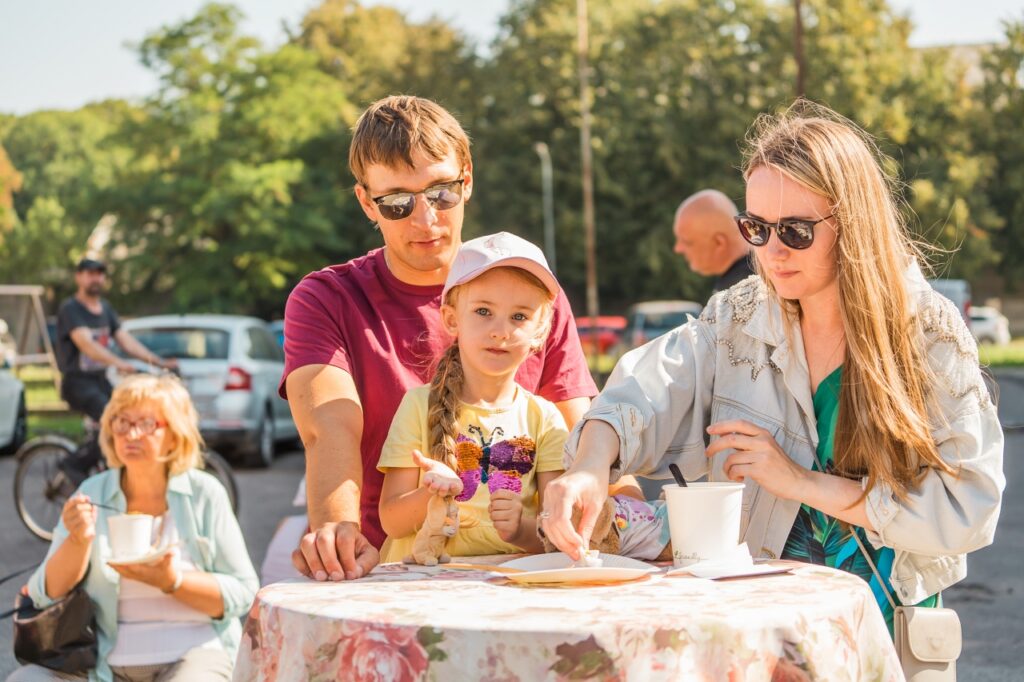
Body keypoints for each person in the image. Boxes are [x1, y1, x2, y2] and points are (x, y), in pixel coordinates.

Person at [542, 101, 1005, 633]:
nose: (772, 252)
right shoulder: (737, 316)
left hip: (879, 635)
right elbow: (647, 388)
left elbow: (969, 510)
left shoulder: (926, 331)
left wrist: (801, 481)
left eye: (796, 231)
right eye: (756, 228)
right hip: (761, 633)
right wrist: (589, 466)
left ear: (853, 224)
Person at [282, 96, 612, 582]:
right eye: (397, 202)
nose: (425, 220)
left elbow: (583, 433)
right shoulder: (327, 298)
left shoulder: (534, 292)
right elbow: (329, 425)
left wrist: (626, 515)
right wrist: (337, 528)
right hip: (385, 569)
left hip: (520, 574)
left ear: (467, 180)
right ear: (366, 202)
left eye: (441, 193)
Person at [9, 374, 257, 682]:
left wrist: (173, 581)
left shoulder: (204, 493)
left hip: (193, 655)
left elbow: (244, 591)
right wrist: (77, 541)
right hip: (101, 666)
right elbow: (44, 594)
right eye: (122, 422)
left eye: (147, 423)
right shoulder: (92, 493)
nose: (131, 434)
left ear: (175, 434)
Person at [377, 233, 573, 559]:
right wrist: (433, 494)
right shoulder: (418, 406)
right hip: (422, 580)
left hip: (505, 582)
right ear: (451, 319)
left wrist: (521, 530)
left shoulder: (545, 419)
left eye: (519, 317)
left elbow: (557, 534)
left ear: (540, 331)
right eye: (483, 311)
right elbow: (392, 521)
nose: (500, 331)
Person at [55, 258, 176, 475]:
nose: (96, 278)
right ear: (79, 277)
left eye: (100, 274)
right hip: (77, 383)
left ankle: (110, 468)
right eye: (90, 274)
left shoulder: (106, 309)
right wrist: (119, 363)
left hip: (100, 381)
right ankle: (73, 464)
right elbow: (87, 345)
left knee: (128, 415)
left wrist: (159, 362)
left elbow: (126, 341)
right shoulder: (71, 309)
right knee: (112, 420)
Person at [672, 189, 753, 293]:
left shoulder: (740, 290)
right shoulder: (755, 271)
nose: (678, 249)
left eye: (688, 242)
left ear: (719, 243)